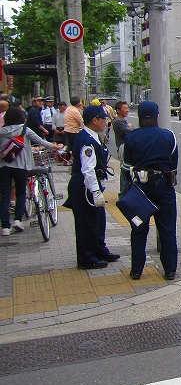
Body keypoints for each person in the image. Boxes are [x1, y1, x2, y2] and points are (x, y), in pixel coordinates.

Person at [122, 101, 179, 281]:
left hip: (140, 188)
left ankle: (137, 270)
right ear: (157, 116)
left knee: (138, 229)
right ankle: (170, 270)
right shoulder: (168, 136)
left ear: (139, 117)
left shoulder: (131, 138)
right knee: (167, 229)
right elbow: (173, 164)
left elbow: (126, 167)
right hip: (164, 186)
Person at [64, 105, 118, 269]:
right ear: (95, 120)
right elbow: (87, 170)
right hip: (84, 186)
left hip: (91, 184)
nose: (106, 121)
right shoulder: (87, 140)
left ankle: (99, 250)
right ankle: (87, 258)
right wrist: (95, 191)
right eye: (104, 118)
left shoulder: (91, 135)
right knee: (87, 223)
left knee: (98, 220)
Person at [0, 106, 63, 236]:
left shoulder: (1, 132)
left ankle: (5, 227)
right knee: (21, 193)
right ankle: (18, 220)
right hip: (22, 167)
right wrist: (55, 147)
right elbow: (40, 141)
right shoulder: (24, 130)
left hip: (4, 167)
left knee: (5, 196)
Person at [113, 101, 134, 197]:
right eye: (125, 108)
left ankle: (125, 193)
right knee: (125, 170)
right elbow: (129, 132)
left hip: (124, 146)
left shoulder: (122, 121)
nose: (127, 110)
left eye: (127, 108)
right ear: (118, 110)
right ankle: (122, 194)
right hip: (123, 147)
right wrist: (130, 127)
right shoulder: (118, 122)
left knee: (126, 170)